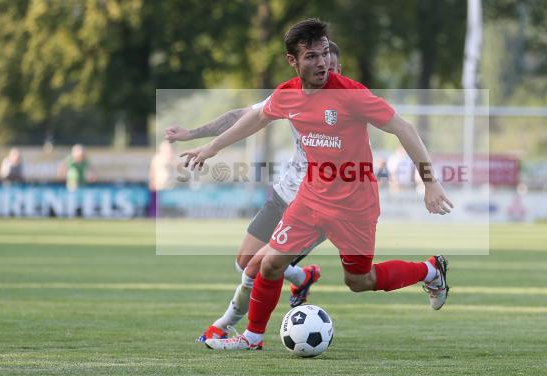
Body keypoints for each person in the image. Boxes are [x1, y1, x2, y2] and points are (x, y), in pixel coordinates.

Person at [182, 18, 452, 351]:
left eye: (324, 53)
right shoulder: (288, 95)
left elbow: (404, 129)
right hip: (309, 199)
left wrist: (430, 182)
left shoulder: (351, 95)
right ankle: (251, 338)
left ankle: (429, 270)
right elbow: (255, 117)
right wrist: (211, 147)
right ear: (292, 61)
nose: (322, 62)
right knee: (270, 263)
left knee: (358, 281)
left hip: (355, 205)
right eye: (311, 56)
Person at [164, 42, 345, 343]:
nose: (325, 70)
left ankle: (225, 326)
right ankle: (302, 277)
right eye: (317, 63)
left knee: (254, 268)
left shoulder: (347, 106)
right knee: (243, 260)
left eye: (332, 67)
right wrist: (193, 134)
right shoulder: (295, 95)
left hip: (317, 205)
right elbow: (242, 116)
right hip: (284, 194)